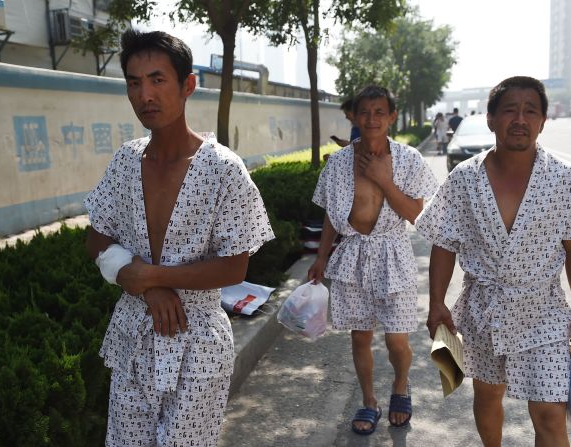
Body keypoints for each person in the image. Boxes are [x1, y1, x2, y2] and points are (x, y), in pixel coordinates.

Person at [84, 29, 274, 447]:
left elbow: (234, 265)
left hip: (198, 341)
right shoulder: (126, 161)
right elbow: (95, 236)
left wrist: (148, 276)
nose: (144, 95)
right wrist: (147, 288)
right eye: (134, 83)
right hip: (134, 332)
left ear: (188, 85)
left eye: (157, 80)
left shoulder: (224, 169)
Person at [415, 76, 571, 447]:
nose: (520, 119)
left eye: (530, 111)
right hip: (483, 311)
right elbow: (444, 243)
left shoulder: (566, 179)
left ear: (543, 121)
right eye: (509, 111)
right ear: (490, 119)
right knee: (487, 395)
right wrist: (436, 302)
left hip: (543, 313)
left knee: (550, 412)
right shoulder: (463, 180)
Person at [309, 85, 438, 435]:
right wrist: (321, 257)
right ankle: (369, 401)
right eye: (365, 111)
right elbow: (330, 217)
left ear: (392, 116)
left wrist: (383, 178)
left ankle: (400, 385)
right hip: (352, 256)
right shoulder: (337, 163)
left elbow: (416, 215)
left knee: (398, 340)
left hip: (393, 254)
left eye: (380, 112)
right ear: (353, 116)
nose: (372, 118)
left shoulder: (409, 160)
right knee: (360, 337)